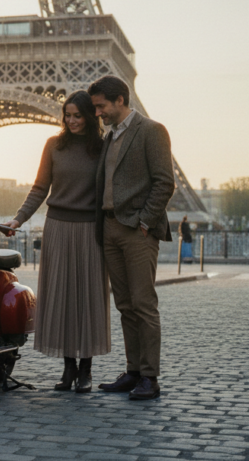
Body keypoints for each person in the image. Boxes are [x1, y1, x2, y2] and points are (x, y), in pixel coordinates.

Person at [1, 90, 109, 393]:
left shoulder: (102, 148)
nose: (71, 121)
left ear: (90, 115)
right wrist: (18, 219)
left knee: (87, 299)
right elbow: (40, 188)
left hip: (90, 230)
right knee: (61, 297)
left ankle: (86, 369)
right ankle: (68, 368)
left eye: (77, 115)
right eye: (67, 115)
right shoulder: (53, 146)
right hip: (58, 228)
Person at [88, 75, 175, 401]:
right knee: (124, 305)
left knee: (143, 304)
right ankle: (134, 370)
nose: (98, 113)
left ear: (120, 100)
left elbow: (165, 182)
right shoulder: (110, 137)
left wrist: (144, 223)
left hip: (136, 230)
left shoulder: (151, 131)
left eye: (101, 106)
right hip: (110, 227)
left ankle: (150, 377)